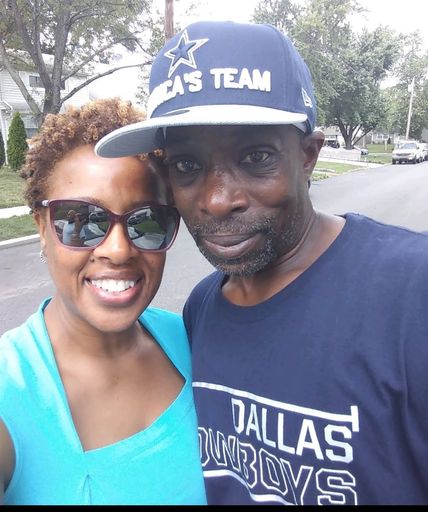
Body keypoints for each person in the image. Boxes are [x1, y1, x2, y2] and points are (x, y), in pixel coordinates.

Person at [95, 21, 428, 506]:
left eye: (255, 157)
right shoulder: (203, 308)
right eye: (187, 165)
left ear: (308, 155)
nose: (217, 199)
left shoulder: (412, 291)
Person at [0, 98, 206, 505]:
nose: (118, 249)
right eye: (82, 220)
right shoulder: (9, 388)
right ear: (42, 227)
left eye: (147, 221)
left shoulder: (193, 342)